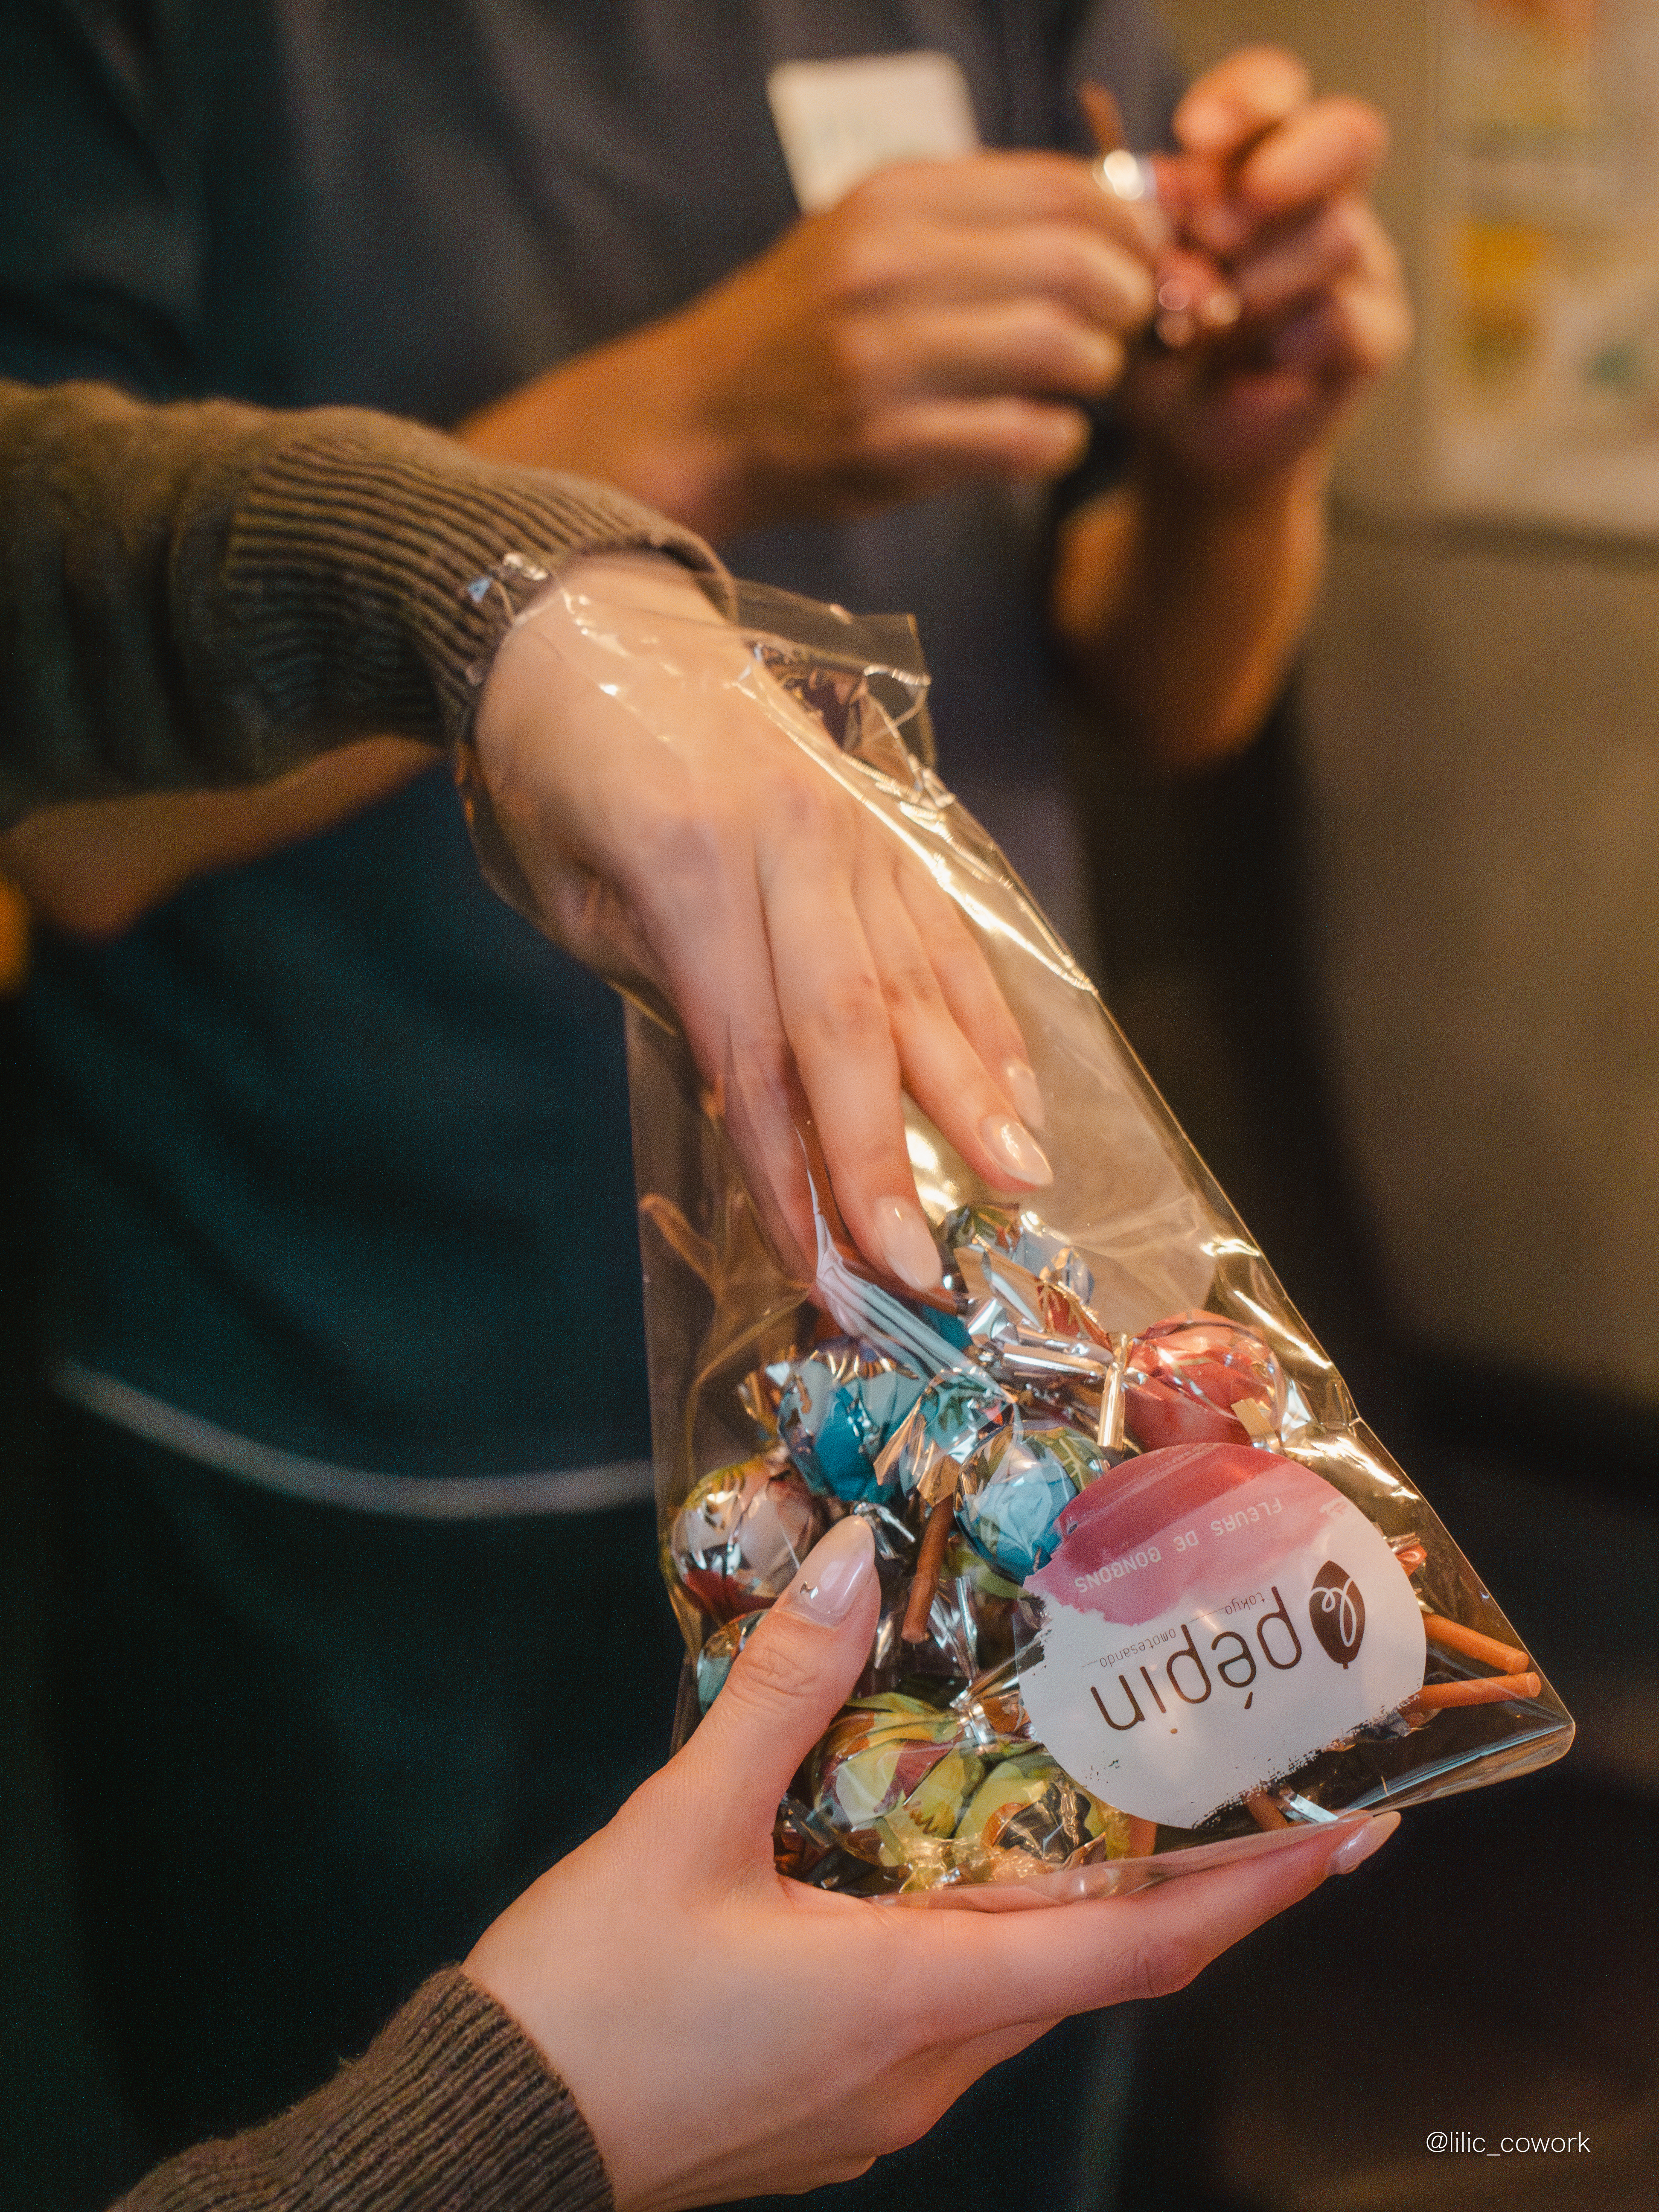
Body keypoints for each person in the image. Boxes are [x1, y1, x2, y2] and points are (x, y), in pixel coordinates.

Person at [0, 4, 1411, 2179]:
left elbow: (1168, 679)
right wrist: (689, 431)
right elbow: (74, 823)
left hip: (992, 1409)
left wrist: (1246, 456)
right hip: (358, 1452)